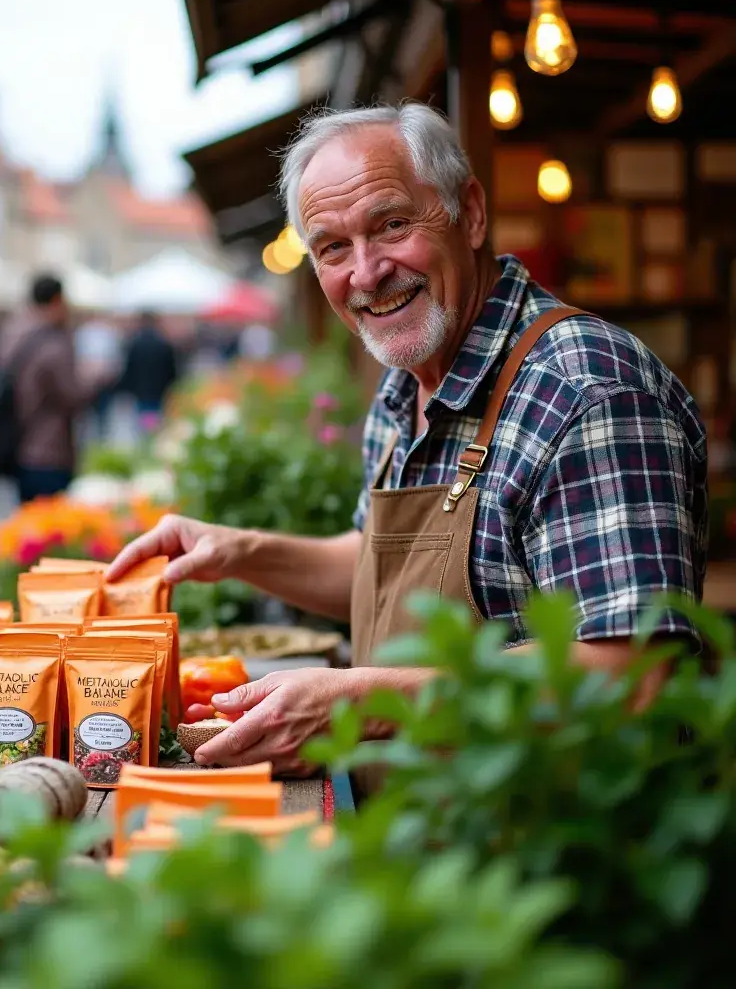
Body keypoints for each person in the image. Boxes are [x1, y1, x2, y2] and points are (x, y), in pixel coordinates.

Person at [107, 103, 708, 795]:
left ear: (470, 214)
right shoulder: (409, 385)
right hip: (431, 836)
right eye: (332, 247)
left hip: (560, 867)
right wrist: (237, 553)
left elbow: (629, 678)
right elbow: (381, 569)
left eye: (392, 225)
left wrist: (360, 704)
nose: (366, 272)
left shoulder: (585, 391)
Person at [0, 273, 93, 503]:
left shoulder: (12, 334)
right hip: (49, 450)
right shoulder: (53, 343)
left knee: (27, 524)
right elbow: (72, 395)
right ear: (57, 301)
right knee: (49, 525)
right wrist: (95, 377)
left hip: (17, 441)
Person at [116, 310, 179, 431]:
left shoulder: (134, 343)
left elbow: (129, 369)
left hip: (141, 391)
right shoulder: (164, 343)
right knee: (156, 425)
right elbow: (172, 370)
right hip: (160, 391)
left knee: (146, 426)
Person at [74, 314, 124, 442]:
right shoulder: (102, 333)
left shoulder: (91, 333)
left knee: (99, 416)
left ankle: (98, 440)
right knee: (93, 417)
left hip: (101, 383)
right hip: (91, 383)